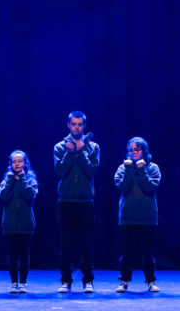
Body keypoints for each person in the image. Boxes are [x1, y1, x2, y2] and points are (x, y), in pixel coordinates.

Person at [53, 111, 100, 293]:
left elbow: (91, 170)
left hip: (86, 201)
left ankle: (87, 280)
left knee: (86, 243)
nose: (77, 127)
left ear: (84, 126)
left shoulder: (94, 147)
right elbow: (60, 171)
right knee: (66, 243)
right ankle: (66, 280)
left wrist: (80, 152)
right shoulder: (60, 146)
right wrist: (69, 153)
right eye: (74, 124)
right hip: (65, 201)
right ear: (68, 125)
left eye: (80, 124)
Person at [113, 137, 161, 293]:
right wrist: (129, 170)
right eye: (131, 150)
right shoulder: (123, 168)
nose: (134, 153)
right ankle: (124, 280)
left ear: (144, 151)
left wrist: (141, 170)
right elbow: (123, 186)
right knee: (127, 253)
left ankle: (151, 281)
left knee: (148, 253)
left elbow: (150, 187)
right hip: (128, 217)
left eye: (137, 149)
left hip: (148, 217)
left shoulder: (153, 168)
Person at [0, 150, 38, 294]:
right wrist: (10, 180)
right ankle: (14, 282)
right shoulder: (7, 178)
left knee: (24, 255)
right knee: (12, 255)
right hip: (10, 224)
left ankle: (23, 283)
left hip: (26, 224)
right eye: (14, 162)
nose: (17, 164)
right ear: (11, 164)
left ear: (25, 163)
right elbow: (3, 196)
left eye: (20, 161)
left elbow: (30, 195)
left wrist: (23, 179)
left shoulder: (31, 178)